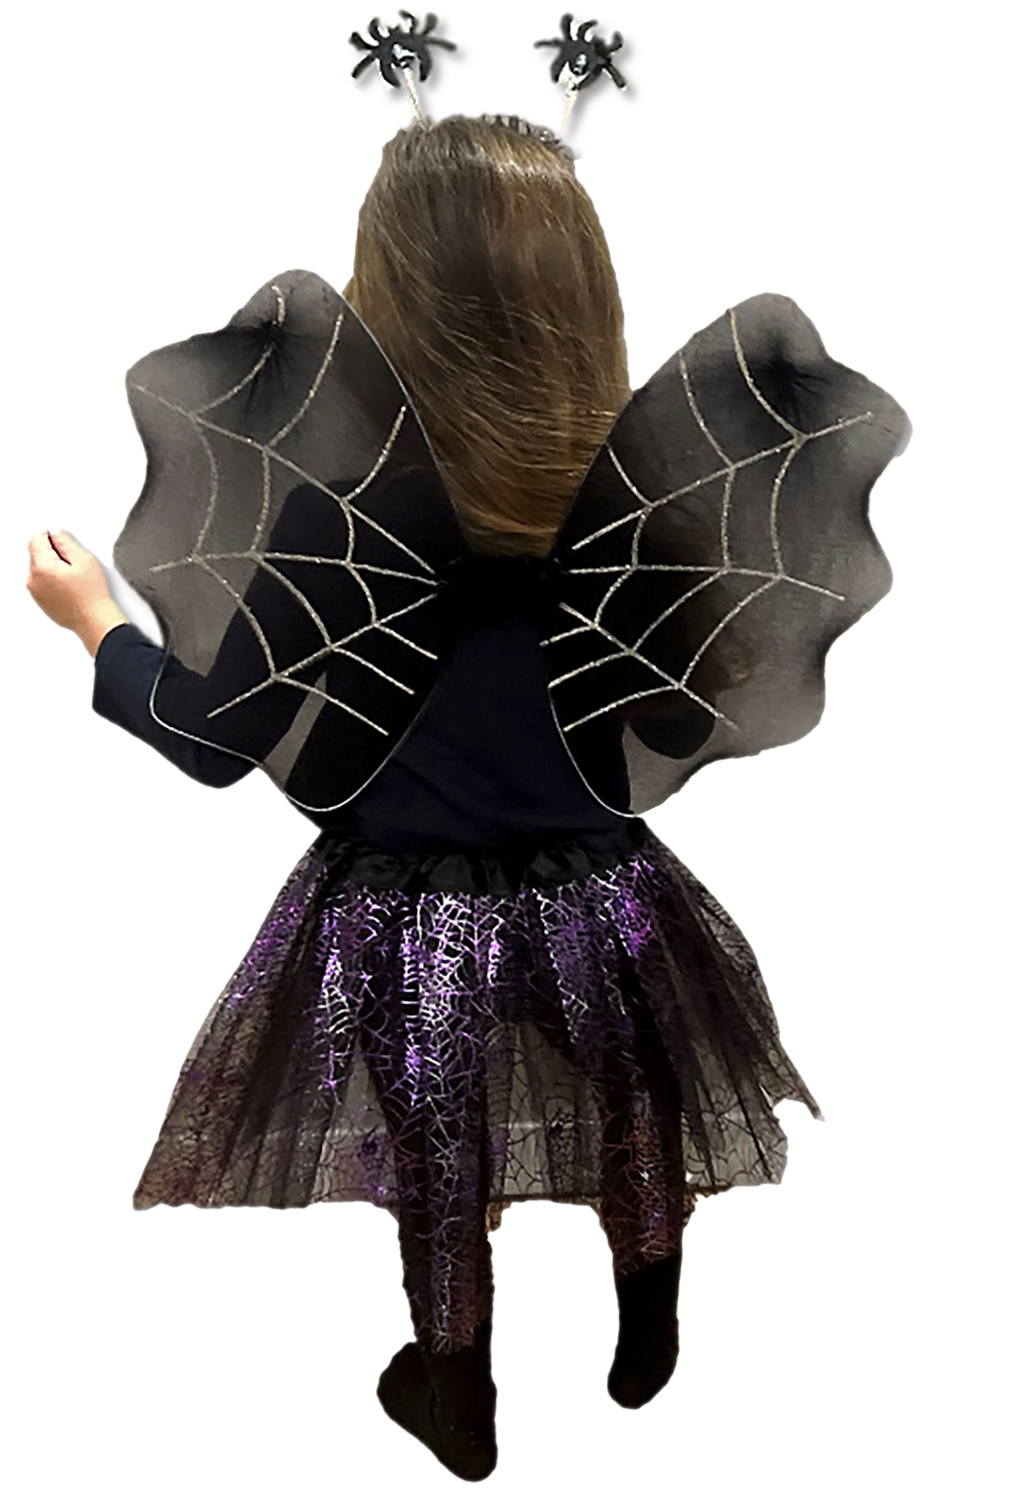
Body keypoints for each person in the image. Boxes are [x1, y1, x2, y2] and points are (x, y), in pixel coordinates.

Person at [27, 115, 855, 1484]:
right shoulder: (641, 523)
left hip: (406, 920)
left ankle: (455, 1387)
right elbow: (674, 716)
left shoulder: (332, 524)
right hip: (602, 902)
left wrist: (98, 625)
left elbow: (213, 744)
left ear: (384, 304)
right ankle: (648, 1319)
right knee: (635, 1101)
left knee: (434, 1149)